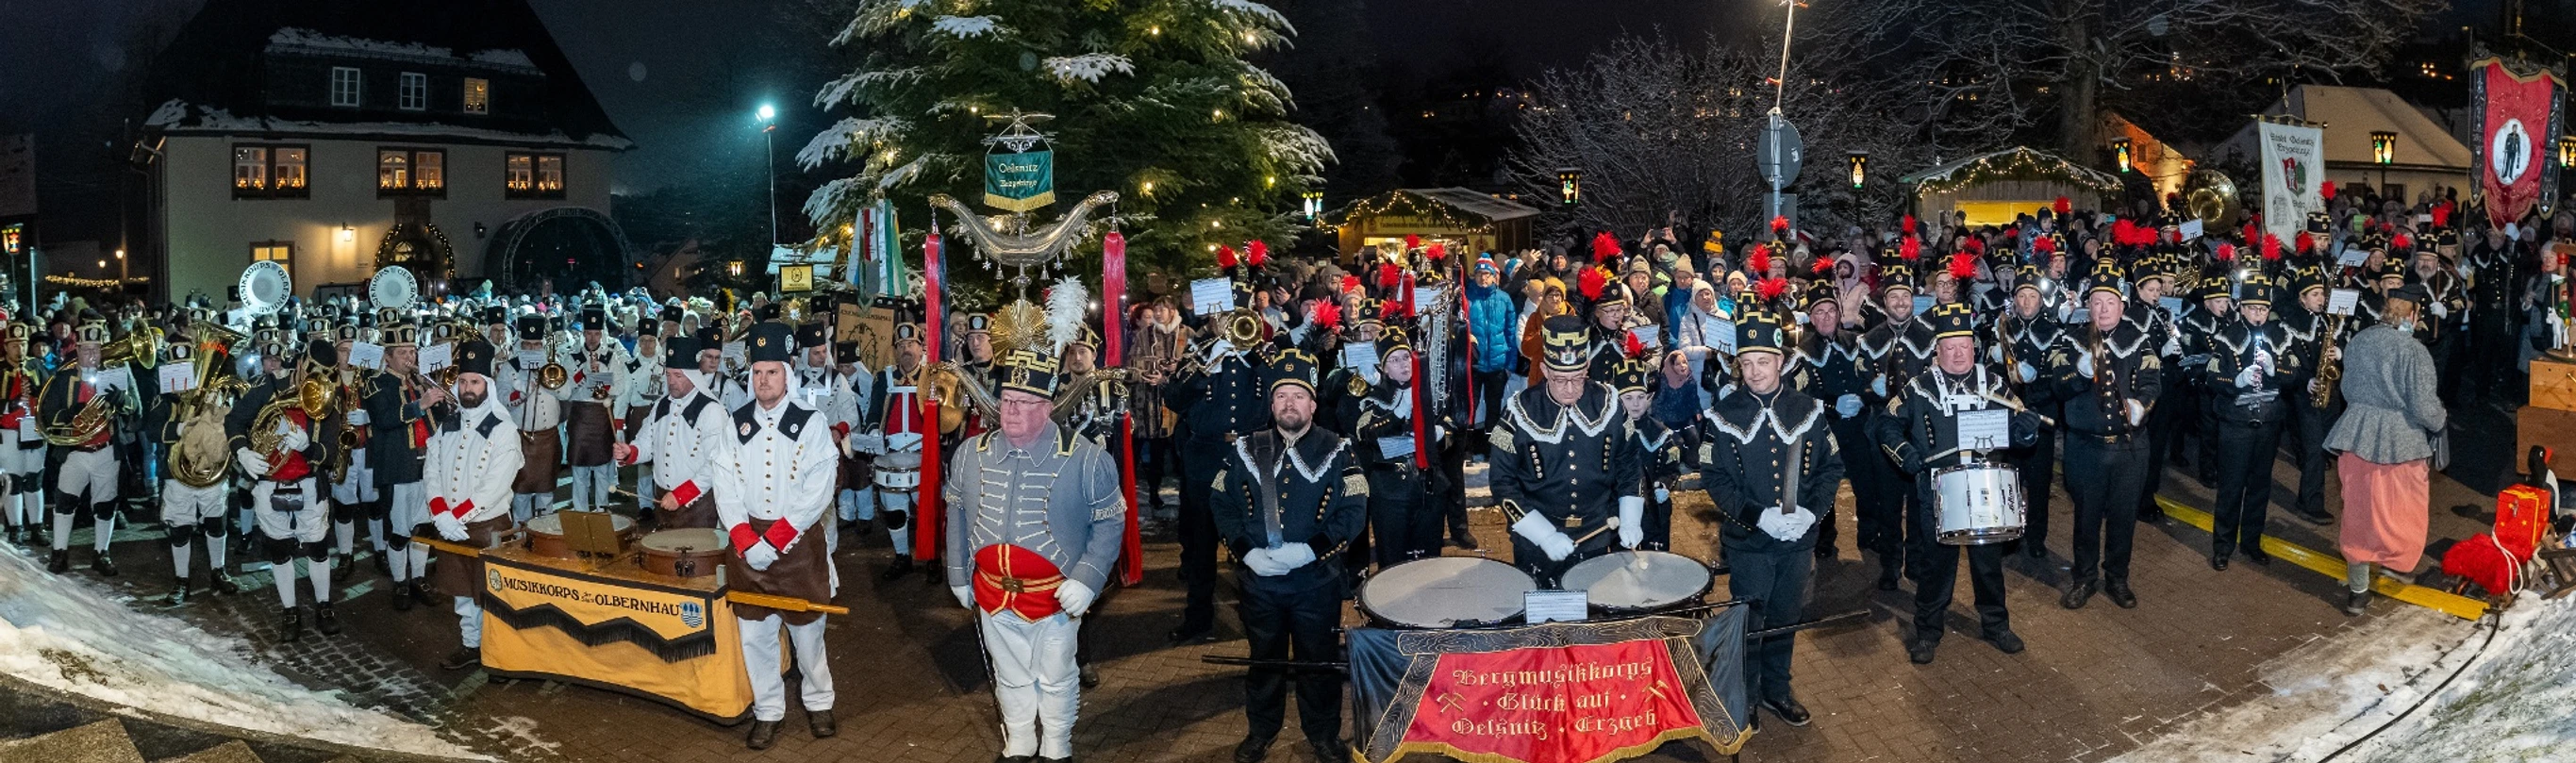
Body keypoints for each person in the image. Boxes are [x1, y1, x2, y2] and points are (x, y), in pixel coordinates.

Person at [941, 346, 1125, 763]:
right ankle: (1020, 740)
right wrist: (957, 573)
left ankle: (1057, 744)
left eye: (1024, 403)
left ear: (1046, 407)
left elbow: (1111, 522)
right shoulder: (971, 454)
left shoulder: (1086, 458)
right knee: (1010, 674)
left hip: (1055, 597)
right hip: (992, 594)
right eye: (1007, 401)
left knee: (1057, 675)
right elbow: (957, 512)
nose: (1012, 411)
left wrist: (1087, 578)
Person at [1206, 349, 1366, 763]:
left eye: (1299, 395)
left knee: (1319, 664)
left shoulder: (1338, 448)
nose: (1290, 403)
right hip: (1260, 583)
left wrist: (1308, 551)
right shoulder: (1245, 448)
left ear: (1313, 403)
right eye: (1282, 396)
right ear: (1272, 403)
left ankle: (1323, 736)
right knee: (1264, 662)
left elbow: (1353, 510)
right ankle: (1260, 731)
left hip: (1316, 582)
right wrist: (1246, 553)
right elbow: (1220, 502)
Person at [1872, 303, 2038, 664]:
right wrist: (1906, 455)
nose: (1958, 353)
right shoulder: (1919, 388)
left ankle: (1996, 625)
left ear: (1973, 348)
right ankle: (1928, 630)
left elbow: (2019, 425)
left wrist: (2026, 432)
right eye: (1950, 347)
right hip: (1936, 490)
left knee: (1988, 564)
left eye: (1964, 345)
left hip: (1985, 490)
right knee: (1935, 566)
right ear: (1938, 351)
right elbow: (1885, 425)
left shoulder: (1993, 384)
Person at [1701, 309, 1842, 726]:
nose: (1754, 371)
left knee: (1785, 616)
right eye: (1746, 363)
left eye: (1763, 361)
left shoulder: (1809, 409)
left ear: (1780, 361)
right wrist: (1757, 517)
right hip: (1749, 542)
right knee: (1751, 618)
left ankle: (1778, 689)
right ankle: (1745, 690)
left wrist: (1812, 514)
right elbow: (1716, 478)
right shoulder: (1723, 415)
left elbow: (1831, 468)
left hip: (1797, 541)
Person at [712, 322, 840, 749]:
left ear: (788, 372)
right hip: (748, 543)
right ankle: (768, 710)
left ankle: (819, 702)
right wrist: (746, 538)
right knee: (755, 636)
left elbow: (820, 486)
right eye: (757, 372)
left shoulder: (811, 422)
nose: (763, 380)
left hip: (797, 543)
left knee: (808, 634)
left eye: (772, 372)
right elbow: (724, 480)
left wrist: (777, 537)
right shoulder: (737, 422)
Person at [1490, 315, 1644, 587]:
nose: (1570, 389)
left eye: (1577, 378)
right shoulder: (1518, 411)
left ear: (1587, 368)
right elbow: (1502, 484)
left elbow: (1629, 464)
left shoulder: (1609, 403)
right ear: (1545, 371)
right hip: (1537, 543)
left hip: (1597, 533)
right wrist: (1543, 535)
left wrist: (1630, 517)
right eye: (1560, 380)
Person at [2325, 283, 2447, 616]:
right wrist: (2441, 420)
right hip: (2400, 441)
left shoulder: (2360, 339)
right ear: (2414, 313)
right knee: (2402, 513)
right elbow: (2423, 406)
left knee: (2359, 514)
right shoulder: (2414, 352)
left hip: (2356, 435)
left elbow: (2348, 389)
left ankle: (2358, 592)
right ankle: (2395, 563)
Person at [2051, 261, 2162, 610]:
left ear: (2121, 306)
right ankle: (2084, 578)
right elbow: (2056, 385)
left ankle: (2117, 577)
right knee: (2085, 517)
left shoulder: (2138, 340)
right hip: (2085, 448)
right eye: (2096, 302)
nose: (2102, 309)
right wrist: (2078, 373)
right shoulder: (2071, 340)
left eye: (2109, 302)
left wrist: (2142, 405)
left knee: (2123, 517)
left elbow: (2153, 381)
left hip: (2129, 447)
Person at [1162, 308, 1270, 643]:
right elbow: (1174, 399)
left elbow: (1287, 385)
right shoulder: (1200, 356)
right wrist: (1208, 367)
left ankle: (1257, 614)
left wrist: (1253, 356)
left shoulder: (1260, 356)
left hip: (1250, 458)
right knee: (1202, 545)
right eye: (1222, 317)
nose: (1228, 324)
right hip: (1205, 460)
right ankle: (1199, 618)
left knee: (1252, 540)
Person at [229, 338, 345, 640]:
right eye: (311, 371)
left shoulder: (328, 397)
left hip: (307, 484)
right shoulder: (269, 385)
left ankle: (324, 605)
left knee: (317, 547)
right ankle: (289, 610)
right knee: (279, 548)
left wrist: (309, 448)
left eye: (323, 375)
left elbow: (330, 452)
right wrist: (242, 452)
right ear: (301, 362)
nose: (314, 380)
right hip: (271, 483)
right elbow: (235, 420)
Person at [423, 340, 522, 672]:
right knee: (463, 593)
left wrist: (457, 515)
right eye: (463, 382)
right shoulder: (447, 424)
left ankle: (496, 653)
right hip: (450, 523)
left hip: (487, 524)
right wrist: (439, 511)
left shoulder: (504, 429)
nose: (467, 389)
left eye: (474, 382)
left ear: (487, 384)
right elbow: (432, 468)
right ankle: (470, 646)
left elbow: (496, 484)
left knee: (491, 594)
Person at [2206, 272, 2301, 571]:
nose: (2258, 315)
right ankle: (2222, 546)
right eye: (2252, 309)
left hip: (2269, 421)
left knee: (2260, 487)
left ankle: (2251, 542)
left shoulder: (2280, 336)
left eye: (2263, 309)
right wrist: (2237, 379)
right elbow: (2211, 377)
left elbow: (2294, 374)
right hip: (2235, 422)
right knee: (2231, 487)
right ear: (2242, 308)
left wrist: (2275, 370)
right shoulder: (2226, 337)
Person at [153, 316, 242, 605]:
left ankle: (219, 571)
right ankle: (181, 580)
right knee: (180, 528)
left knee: (216, 522)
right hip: (177, 473)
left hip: (210, 470)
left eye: (186, 366)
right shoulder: (162, 397)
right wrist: (177, 429)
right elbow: (148, 426)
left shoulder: (213, 391)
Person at [1854, 262, 1930, 589]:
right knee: (1888, 503)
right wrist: (1872, 389)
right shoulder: (1870, 339)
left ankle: (1914, 562)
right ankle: (1889, 565)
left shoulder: (1929, 338)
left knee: (1917, 502)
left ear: (1913, 298)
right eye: (1894, 296)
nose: (1900, 302)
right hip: (1882, 434)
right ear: (1884, 301)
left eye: (1905, 296)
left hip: (1918, 434)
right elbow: (1858, 385)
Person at [364, 318, 446, 611]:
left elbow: (441, 418)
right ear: (387, 356)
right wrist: (420, 404)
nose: (410, 358)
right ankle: (400, 581)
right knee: (400, 530)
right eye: (403, 353)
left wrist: (437, 398)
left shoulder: (419, 381)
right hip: (398, 467)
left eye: (413, 352)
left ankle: (419, 578)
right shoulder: (374, 384)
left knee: (423, 527)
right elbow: (384, 419)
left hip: (427, 465)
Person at [41, 313, 126, 574]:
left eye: (96, 351)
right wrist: (67, 415)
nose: (91, 355)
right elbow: (48, 413)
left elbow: (137, 411)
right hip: (75, 451)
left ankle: (102, 553)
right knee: (65, 502)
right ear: (77, 351)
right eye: (86, 350)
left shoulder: (116, 375)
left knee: (105, 505)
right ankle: (59, 552)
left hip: (106, 451)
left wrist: (122, 403)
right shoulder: (63, 379)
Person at [1788, 280, 1868, 560]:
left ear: (1838, 313)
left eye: (1830, 311)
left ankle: (1869, 536)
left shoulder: (1856, 341)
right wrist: (1833, 405)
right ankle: (1824, 539)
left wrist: (1865, 398)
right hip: (1825, 428)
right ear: (1811, 318)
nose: (1825, 317)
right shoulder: (1802, 352)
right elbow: (1799, 395)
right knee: (1825, 487)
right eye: (1818, 312)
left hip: (1859, 427)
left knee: (1865, 483)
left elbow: (1868, 376)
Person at [614, 335, 726, 529]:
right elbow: (647, 442)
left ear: (693, 376)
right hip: (663, 500)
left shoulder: (712, 411)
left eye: (678, 376)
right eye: (668, 375)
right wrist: (631, 452)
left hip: (696, 506)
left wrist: (682, 494)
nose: (671, 381)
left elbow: (714, 464)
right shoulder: (661, 405)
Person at [1994, 265, 2067, 558]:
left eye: (2032, 296)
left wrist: (2038, 381)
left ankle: (2037, 537)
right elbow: (1989, 380)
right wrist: (1996, 362)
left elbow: (2062, 380)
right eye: (2021, 296)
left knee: (2038, 483)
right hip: (2008, 419)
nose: (2026, 302)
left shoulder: (2054, 331)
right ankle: (2009, 535)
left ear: (2041, 300)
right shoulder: (2003, 328)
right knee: (2008, 479)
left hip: (2039, 418)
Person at [1351, 330, 1439, 567]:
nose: (1403, 364)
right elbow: (1367, 434)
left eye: (1406, 357)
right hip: (1390, 492)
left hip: (1428, 487)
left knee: (1428, 559)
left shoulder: (1430, 390)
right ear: (1384, 369)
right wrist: (1398, 414)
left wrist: (1440, 434)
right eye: (1395, 360)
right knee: (1392, 560)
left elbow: (1451, 426)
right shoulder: (1374, 398)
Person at [862, 323, 936, 578]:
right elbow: (873, 411)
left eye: (911, 345)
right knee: (893, 511)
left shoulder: (931, 377)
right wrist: (873, 432)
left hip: (923, 454)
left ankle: (932, 558)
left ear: (920, 347)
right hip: (891, 453)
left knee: (926, 510)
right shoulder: (884, 377)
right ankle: (902, 555)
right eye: (901, 346)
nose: (906, 350)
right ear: (895, 350)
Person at [563, 305, 628, 514]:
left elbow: (620, 386)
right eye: (589, 333)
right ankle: (581, 511)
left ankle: (601, 509)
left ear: (602, 334)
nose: (592, 338)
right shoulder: (571, 357)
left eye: (596, 333)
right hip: (580, 416)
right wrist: (583, 374)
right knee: (579, 468)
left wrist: (598, 378)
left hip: (602, 415)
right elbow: (565, 390)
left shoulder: (611, 356)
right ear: (583, 333)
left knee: (601, 468)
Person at [500, 315, 564, 522]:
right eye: (528, 344)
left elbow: (566, 394)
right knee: (522, 492)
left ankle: (544, 530)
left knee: (546, 491)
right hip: (523, 436)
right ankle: (521, 533)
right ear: (521, 343)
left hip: (549, 437)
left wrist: (549, 382)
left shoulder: (552, 364)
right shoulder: (510, 367)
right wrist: (521, 391)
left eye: (537, 344)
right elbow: (501, 399)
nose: (532, 348)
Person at [0, 320, 44, 548]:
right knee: (13, 480)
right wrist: (10, 405)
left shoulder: (36, 367)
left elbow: (49, 396)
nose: (20, 350)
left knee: (34, 479)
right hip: (8, 434)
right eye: (15, 345)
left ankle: (37, 525)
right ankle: (16, 525)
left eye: (24, 344)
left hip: (34, 430)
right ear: (6, 346)